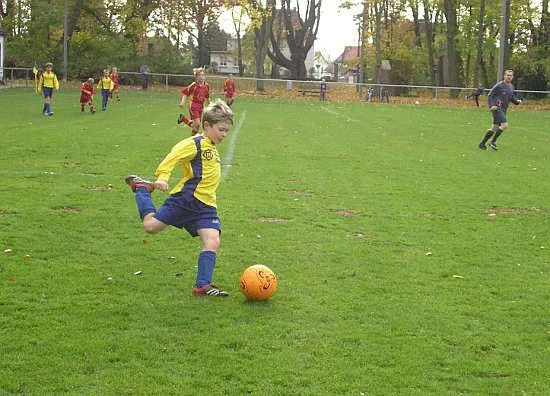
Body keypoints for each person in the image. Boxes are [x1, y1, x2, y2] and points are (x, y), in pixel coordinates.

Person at [125, 99, 234, 298]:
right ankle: (142, 189)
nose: (224, 135)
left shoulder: (212, 147)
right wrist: (163, 177)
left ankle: (202, 286)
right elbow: (173, 156)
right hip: (185, 199)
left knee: (212, 240)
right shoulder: (196, 144)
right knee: (150, 227)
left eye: (227, 130)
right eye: (221, 130)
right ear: (207, 126)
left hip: (206, 205)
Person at [478, 70, 522, 151]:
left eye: (511, 75)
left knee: (494, 128)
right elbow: (490, 96)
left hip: (504, 109)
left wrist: (517, 102)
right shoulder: (499, 86)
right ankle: (493, 142)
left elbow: (511, 97)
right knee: (505, 125)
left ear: (513, 77)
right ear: (504, 76)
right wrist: (492, 105)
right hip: (497, 108)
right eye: (507, 75)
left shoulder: (511, 87)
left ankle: (482, 144)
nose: (509, 77)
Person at [177, 67, 210, 136]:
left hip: (201, 106)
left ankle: (183, 119)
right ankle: (193, 140)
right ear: (196, 77)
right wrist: (182, 102)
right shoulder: (193, 85)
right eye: (199, 75)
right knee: (197, 124)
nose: (201, 77)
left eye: (202, 75)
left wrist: (210, 105)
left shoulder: (206, 86)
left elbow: (207, 96)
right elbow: (185, 93)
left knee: (196, 126)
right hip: (194, 106)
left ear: (205, 77)